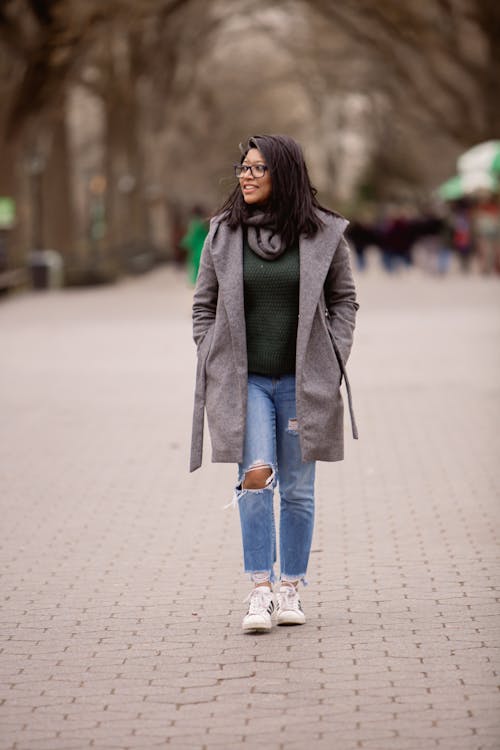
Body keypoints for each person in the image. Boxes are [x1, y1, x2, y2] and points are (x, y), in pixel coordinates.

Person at [190, 134, 359, 633]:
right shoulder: (222, 234)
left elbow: (344, 300)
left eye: (257, 169)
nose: (244, 175)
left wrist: (333, 356)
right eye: (243, 167)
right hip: (244, 380)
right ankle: (260, 589)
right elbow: (203, 304)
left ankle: (292, 587)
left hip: (303, 381)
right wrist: (211, 354)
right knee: (257, 475)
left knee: (300, 490)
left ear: (282, 174)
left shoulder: (325, 234)